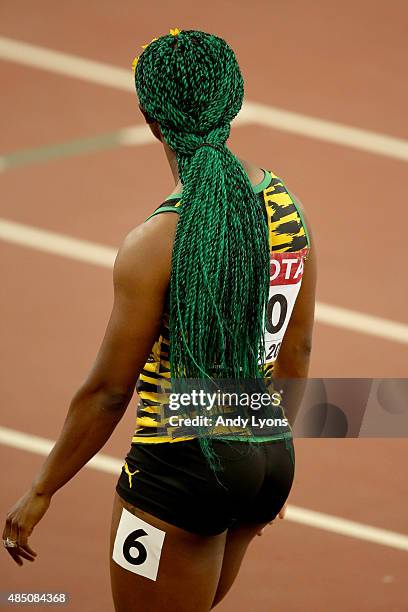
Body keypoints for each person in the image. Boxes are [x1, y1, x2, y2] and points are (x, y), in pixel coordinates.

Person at [2, 29, 317, 611]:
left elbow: (108, 391)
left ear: (151, 119)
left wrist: (41, 489)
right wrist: (267, 455)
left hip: (181, 466)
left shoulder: (155, 242)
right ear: (234, 104)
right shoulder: (286, 205)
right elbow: (296, 355)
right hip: (267, 452)